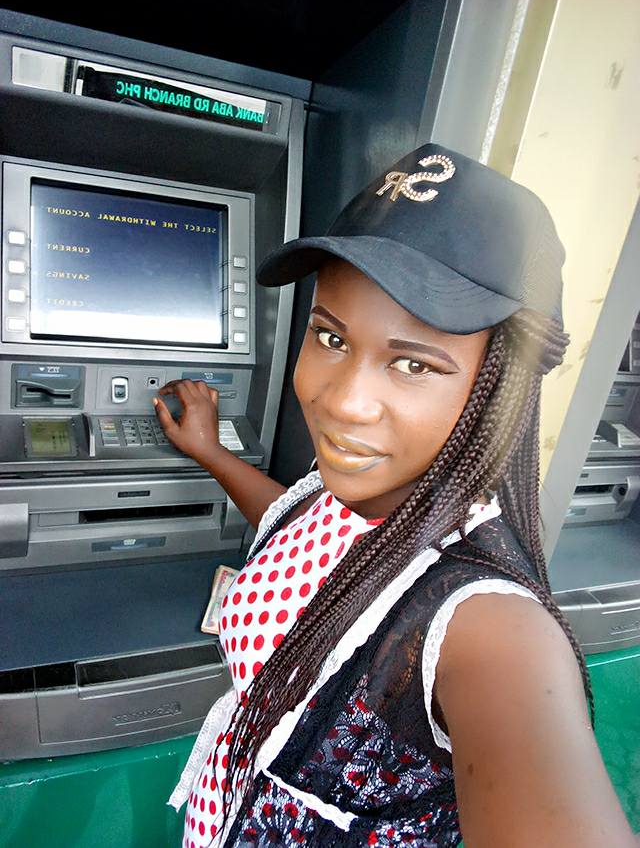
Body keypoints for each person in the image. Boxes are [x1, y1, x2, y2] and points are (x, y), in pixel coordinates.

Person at [158, 144, 636, 847]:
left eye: (413, 364)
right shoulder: (359, 488)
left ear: (497, 390)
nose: (343, 402)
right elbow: (302, 529)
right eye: (331, 337)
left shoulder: (488, 629)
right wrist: (211, 451)